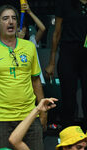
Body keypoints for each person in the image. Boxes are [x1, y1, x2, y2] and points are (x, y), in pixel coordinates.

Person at [0, 4, 45, 150]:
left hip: (29, 115)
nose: (11, 22)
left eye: (13, 18)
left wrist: (42, 111)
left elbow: (36, 80)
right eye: (5, 18)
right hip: (0, 118)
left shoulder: (29, 47)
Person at [45, 0, 87, 131]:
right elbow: (56, 33)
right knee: (69, 99)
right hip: (68, 53)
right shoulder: (64, 3)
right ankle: (67, 135)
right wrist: (51, 62)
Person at [17, 0, 46, 84]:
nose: (21, 29)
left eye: (23, 27)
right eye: (18, 27)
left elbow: (42, 29)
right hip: (20, 79)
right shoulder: (9, 43)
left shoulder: (31, 41)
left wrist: (29, 12)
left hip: (34, 78)